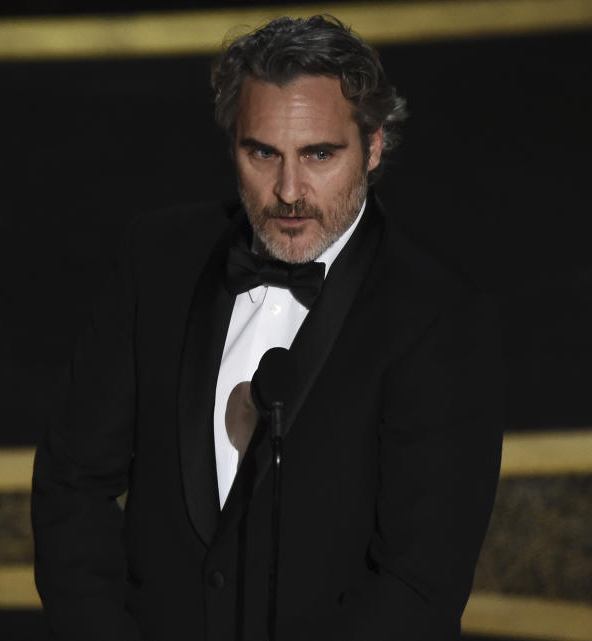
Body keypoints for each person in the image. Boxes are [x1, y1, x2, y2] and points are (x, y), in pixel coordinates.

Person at [32, 15, 503, 641]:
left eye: (318, 155)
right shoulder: (157, 259)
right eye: (262, 153)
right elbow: (72, 483)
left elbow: (418, 585)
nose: (287, 191)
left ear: (374, 146)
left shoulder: (438, 316)